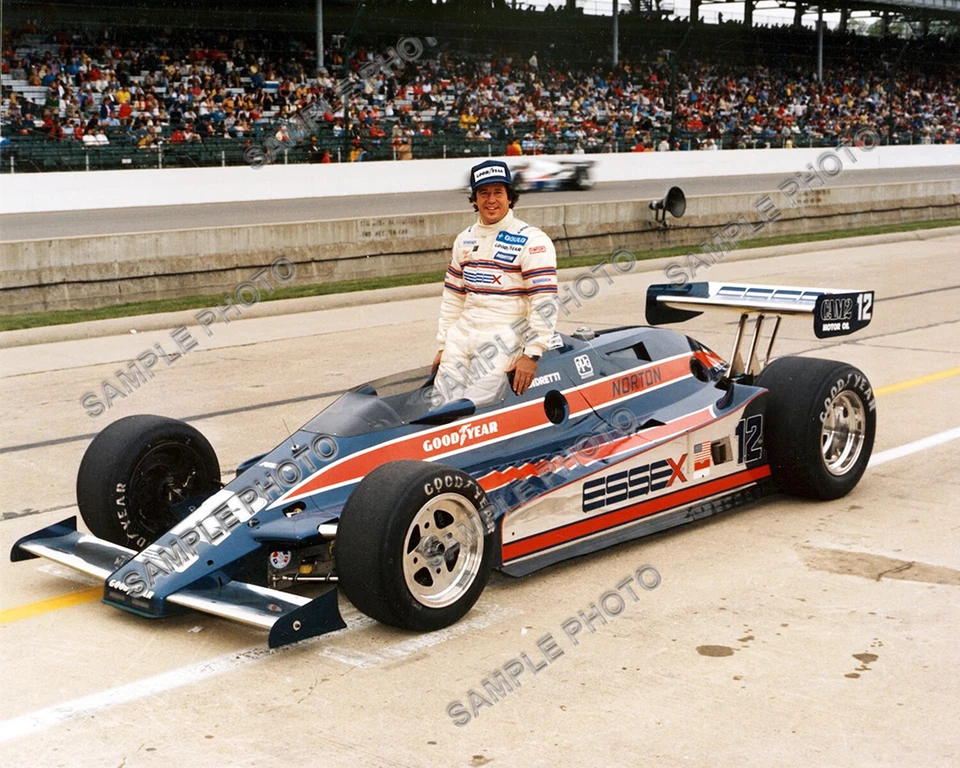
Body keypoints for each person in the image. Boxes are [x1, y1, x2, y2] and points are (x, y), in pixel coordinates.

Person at [431, 160, 558, 406]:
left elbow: (544, 300)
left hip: (503, 339)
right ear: (475, 199)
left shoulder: (532, 240)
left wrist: (532, 354)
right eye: (483, 193)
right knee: (440, 410)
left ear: (510, 197)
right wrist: (443, 343)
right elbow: (453, 298)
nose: (491, 200)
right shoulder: (464, 239)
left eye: (498, 192)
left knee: (476, 411)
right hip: (461, 337)